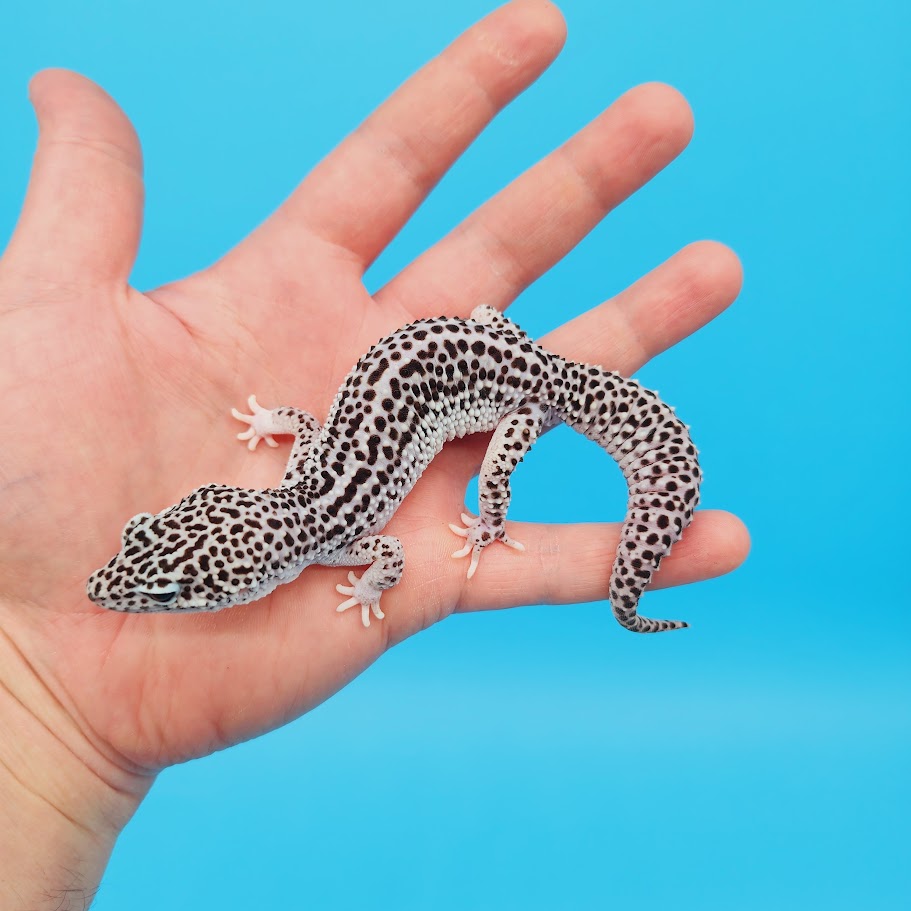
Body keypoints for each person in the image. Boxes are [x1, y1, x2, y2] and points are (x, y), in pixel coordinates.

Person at [0, 1, 748, 905]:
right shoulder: (307, 493)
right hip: (478, 344)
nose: (155, 595)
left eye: (172, 588)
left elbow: (386, 553)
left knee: (495, 468)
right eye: (169, 582)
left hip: (506, 387)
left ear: (246, 559)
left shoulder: (332, 530)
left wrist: (448, 541)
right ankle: (614, 567)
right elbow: (321, 456)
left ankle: (531, 533)